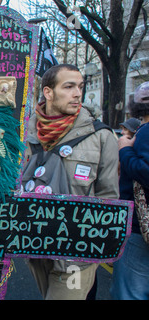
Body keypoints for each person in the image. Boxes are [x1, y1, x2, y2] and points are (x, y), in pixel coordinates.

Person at [23, 64, 119, 300]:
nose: (78, 93)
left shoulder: (101, 136)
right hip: (34, 246)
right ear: (48, 92)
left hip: (77, 255)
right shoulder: (24, 132)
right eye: (69, 86)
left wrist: (91, 248)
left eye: (80, 87)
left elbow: (108, 198)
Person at [111, 82, 149, 300]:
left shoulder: (144, 133)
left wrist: (125, 150)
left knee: (130, 293)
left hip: (138, 228)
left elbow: (144, 171)